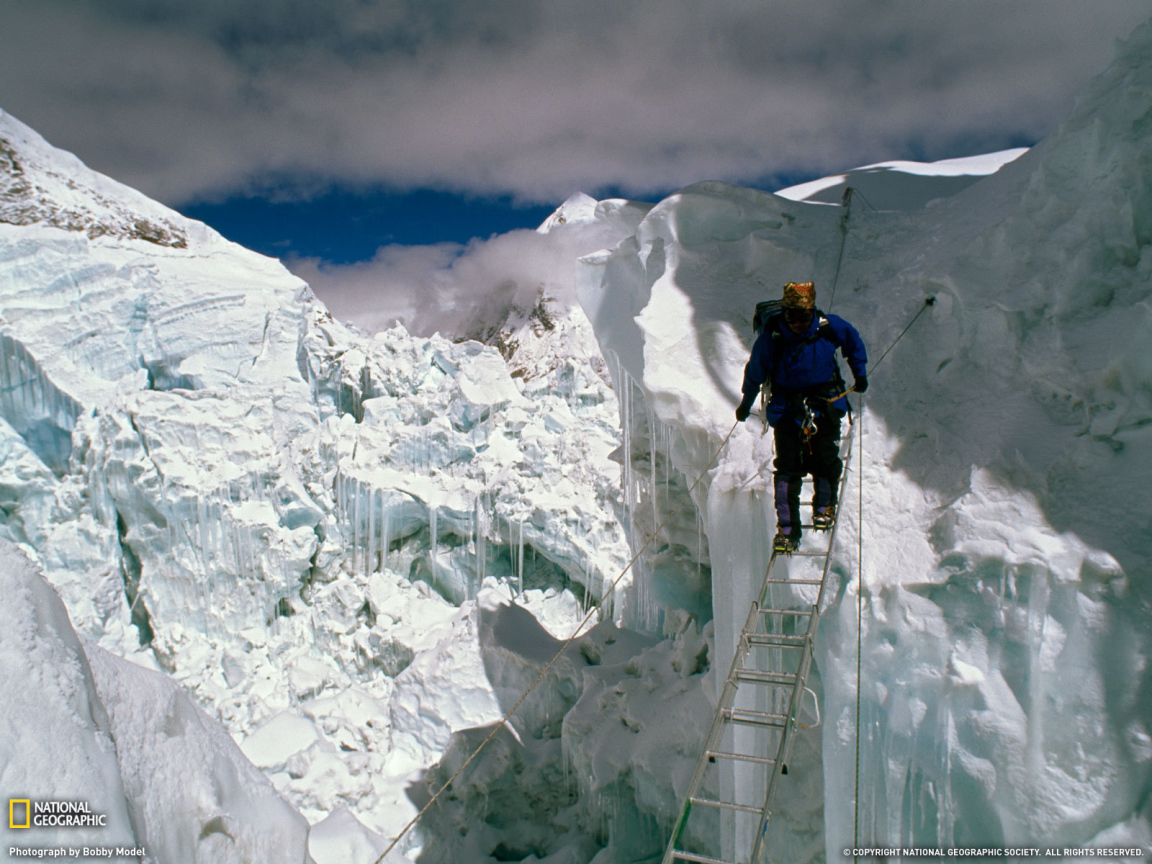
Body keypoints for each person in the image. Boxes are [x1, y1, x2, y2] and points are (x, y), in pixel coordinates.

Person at [735, 281, 867, 554]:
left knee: (825, 460)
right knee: (787, 470)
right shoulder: (772, 337)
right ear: (784, 314)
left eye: (803, 317)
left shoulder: (830, 327)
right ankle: (787, 530)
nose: (797, 323)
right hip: (787, 410)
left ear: (812, 312)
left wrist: (860, 373)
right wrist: (746, 403)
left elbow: (853, 343)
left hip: (824, 405)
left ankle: (823, 508)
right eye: (791, 317)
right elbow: (755, 373)